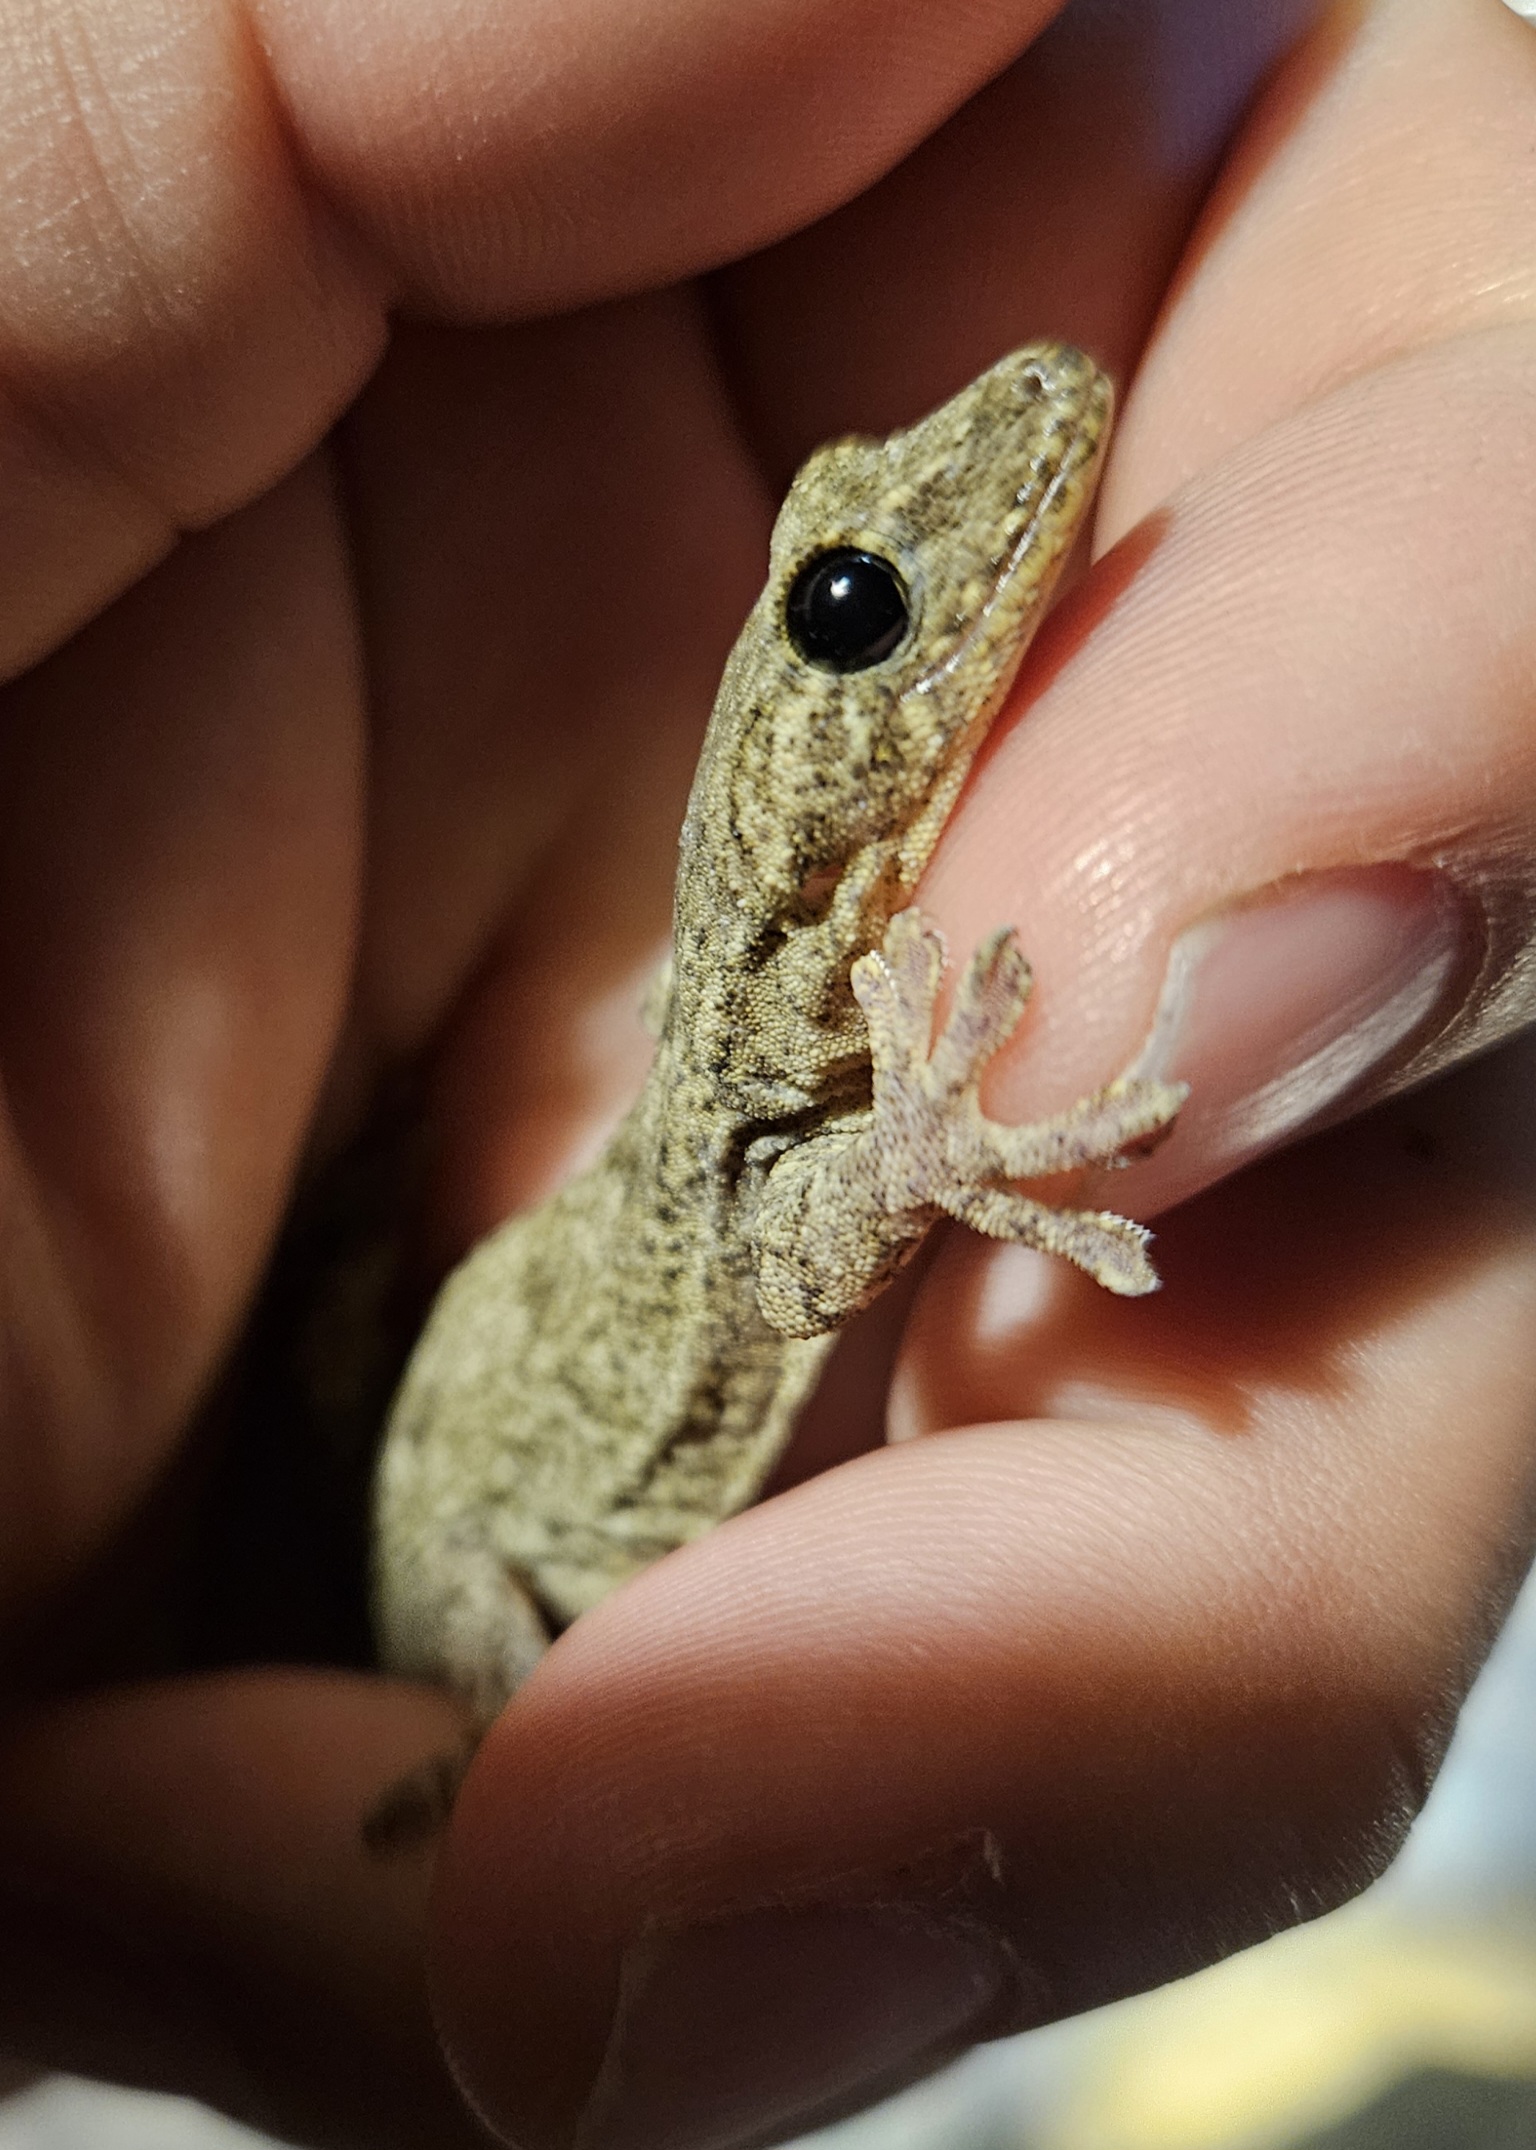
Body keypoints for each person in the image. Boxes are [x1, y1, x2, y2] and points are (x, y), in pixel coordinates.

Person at [0, 1, 1532, 2145]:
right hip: (470, 1562)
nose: (1000, 451)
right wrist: (923, 1145)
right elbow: (782, 1258)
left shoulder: (783, 1006)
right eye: (853, 596)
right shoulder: (771, 1045)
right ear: (800, 795)